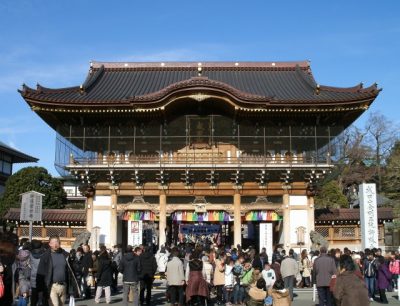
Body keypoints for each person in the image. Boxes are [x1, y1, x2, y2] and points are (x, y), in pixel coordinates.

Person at [36, 235, 80, 306]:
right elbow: (40, 272)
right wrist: (40, 290)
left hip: (63, 286)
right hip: (52, 286)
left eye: (57, 242)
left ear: (60, 243)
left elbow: (71, 272)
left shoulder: (66, 256)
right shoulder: (45, 257)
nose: (55, 244)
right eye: (53, 242)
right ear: (49, 244)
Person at [29, 240, 47, 306]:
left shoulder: (30, 254)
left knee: (34, 296)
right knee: (43, 296)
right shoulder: (45, 253)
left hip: (33, 276)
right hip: (43, 276)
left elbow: (29, 264)